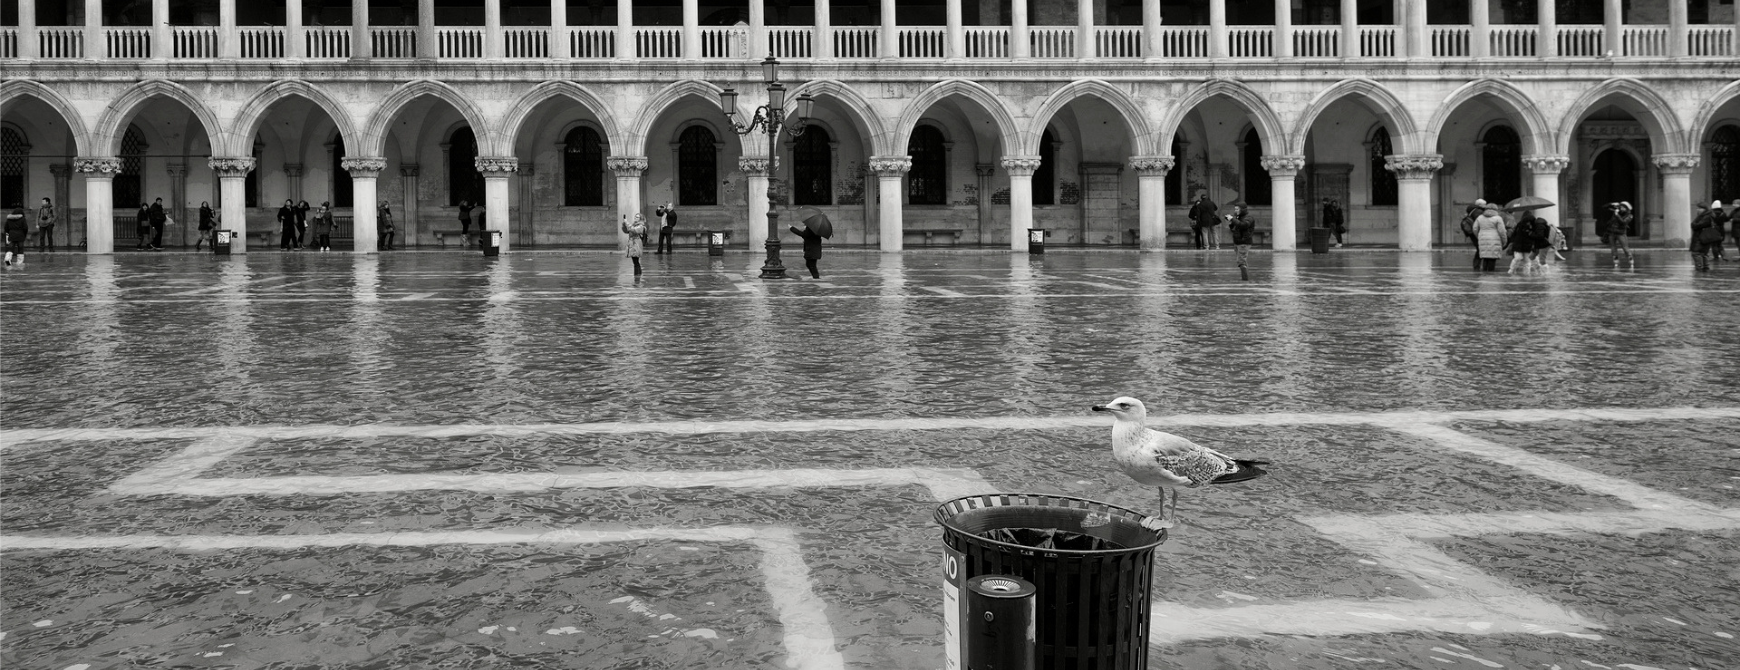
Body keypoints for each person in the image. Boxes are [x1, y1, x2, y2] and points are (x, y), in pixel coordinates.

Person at [1691, 200, 1723, 272]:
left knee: (1696, 253)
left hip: (1702, 237)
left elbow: (1696, 225)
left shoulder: (1706, 216)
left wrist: (1694, 223)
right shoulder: (1706, 215)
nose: (1697, 210)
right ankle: (1705, 268)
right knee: (1703, 253)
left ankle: (1700, 268)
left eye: (1699, 208)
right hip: (1705, 237)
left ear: (1704, 209)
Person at [1473, 206, 1507, 272]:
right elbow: (1502, 231)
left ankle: (1485, 275)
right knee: (1492, 258)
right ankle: (1491, 276)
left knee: (1485, 258)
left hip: (1482, 238)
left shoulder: (1480, 217)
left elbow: (1475, 228)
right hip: (1495, 239)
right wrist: (1504, 241)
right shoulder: (1498, 218)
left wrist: (1479, 236)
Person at [1226, 202, 1257, 276]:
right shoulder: (1238, 217)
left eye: (1237, 209)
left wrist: (1233, 219)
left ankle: (1245, 280)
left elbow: (1243, 225)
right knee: (1242, 261)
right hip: (1237, 241)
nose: (1235, 210)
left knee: (1241, 262)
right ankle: (1245, 277)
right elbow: (1234, 228)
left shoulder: (1249, 217)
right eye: (1235, 209)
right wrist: (1232, 221)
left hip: (1244, 242)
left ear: (1242, 209)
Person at [1459, 199, 1486, 270]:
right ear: (1479, 205)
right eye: (1484, 204)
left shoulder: (1472, 210)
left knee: (1479, 248)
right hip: (1476, 232)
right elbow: (1481, 223)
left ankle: (1477, 266)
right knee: (1480, 249)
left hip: (1472, 232)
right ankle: (1477, 266)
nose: (1485, 206)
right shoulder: (1478, 211)